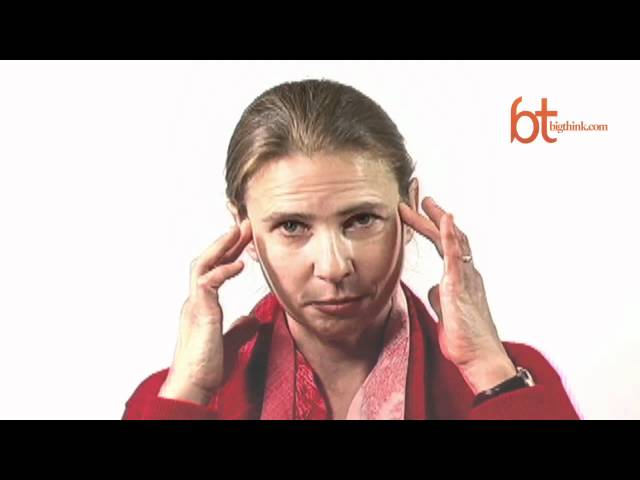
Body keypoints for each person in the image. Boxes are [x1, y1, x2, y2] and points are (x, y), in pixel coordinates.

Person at [122, 79, 580, 420]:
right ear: (243, 229)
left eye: (361, 220)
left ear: (408, 208)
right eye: (292, 226)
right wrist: (190, 392)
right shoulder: (181, 399)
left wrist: (487, 368)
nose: (334, 266)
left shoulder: (510, 382)